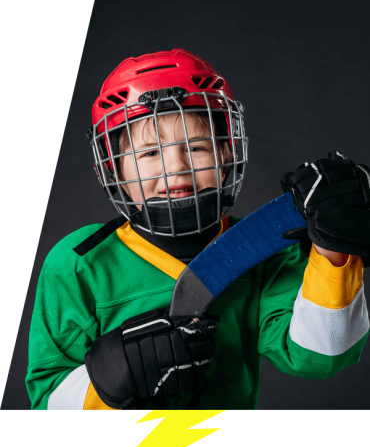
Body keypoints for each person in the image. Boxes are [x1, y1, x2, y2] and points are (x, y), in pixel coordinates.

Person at [26, 49, 370, 410]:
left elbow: (318, 355)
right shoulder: (79, 264)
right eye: (149, 154)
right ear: (115, 171)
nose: (175, 168)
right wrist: (111, 380)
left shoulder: (266, 249)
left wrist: (333, 248)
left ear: (226, 155)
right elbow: (46, 402)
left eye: (197, 147)